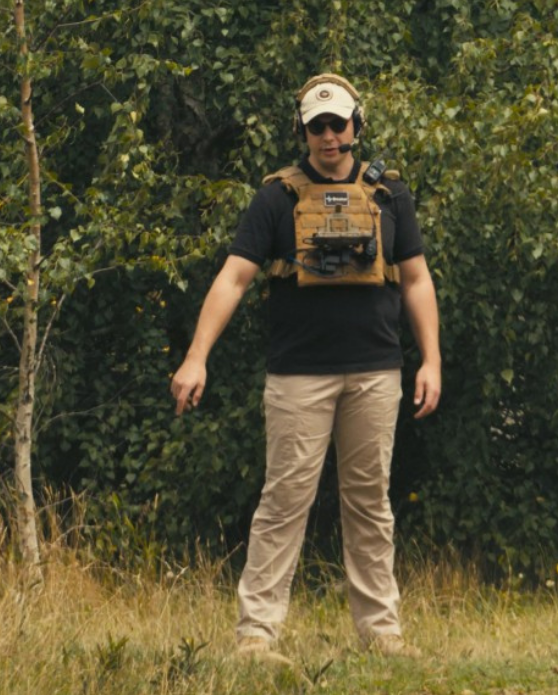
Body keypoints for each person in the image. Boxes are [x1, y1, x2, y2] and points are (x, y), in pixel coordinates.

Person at [170, 73, 440, 662]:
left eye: (338, 124)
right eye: (317, 126)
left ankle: (382, 635)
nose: (329, 136)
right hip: (298, 376)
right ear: (303, 131)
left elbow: (417, 279)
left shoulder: (390, 194)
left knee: (370, 504)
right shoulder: (277, 198)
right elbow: (234, 277)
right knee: (284, 501)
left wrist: (431, 361)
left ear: (356, 126)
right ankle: (256, 637)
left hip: (375, 372)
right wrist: (196, 357)